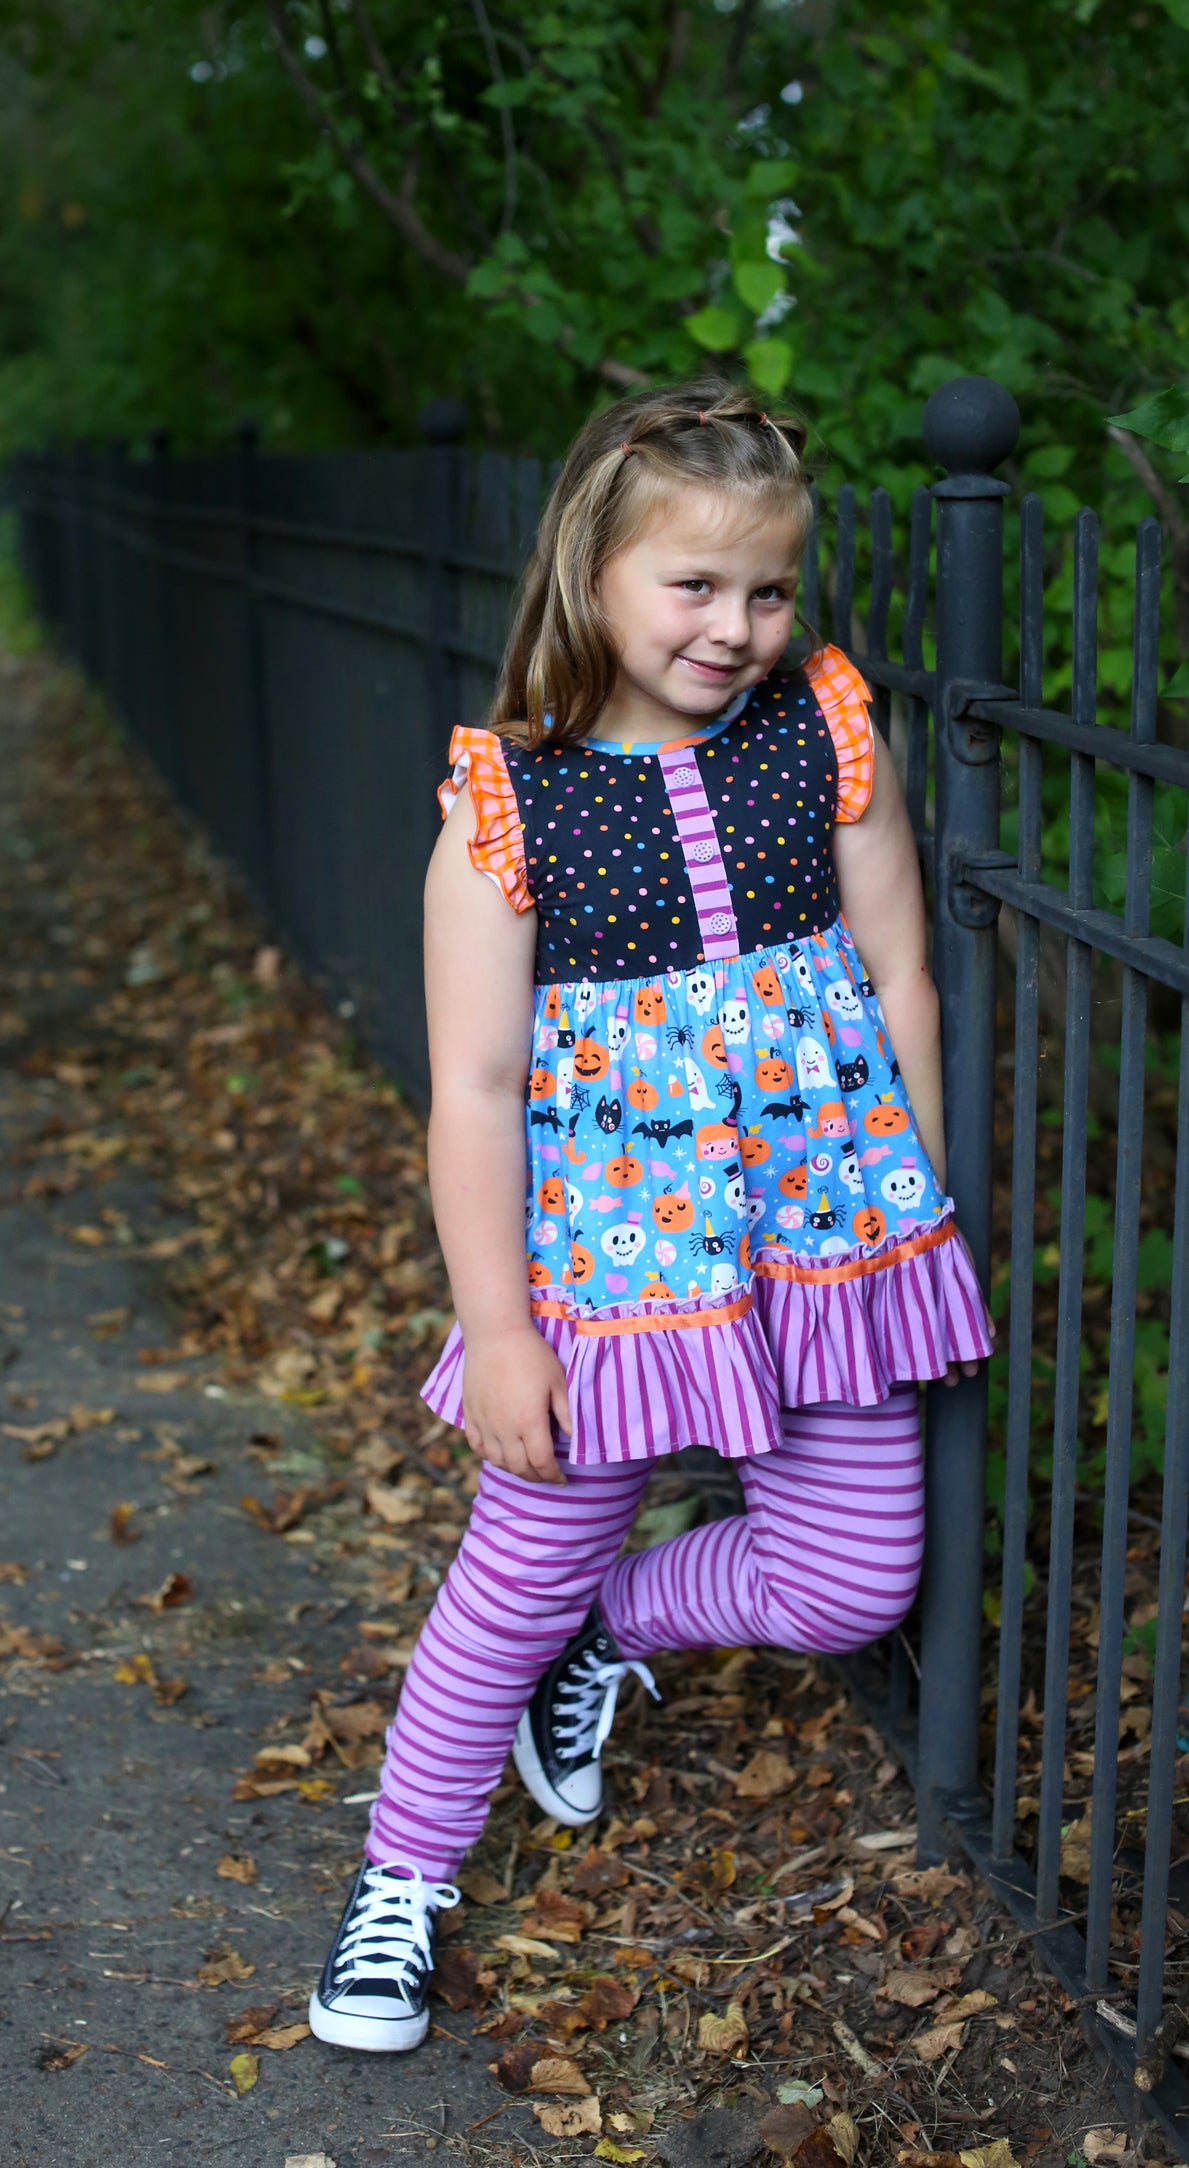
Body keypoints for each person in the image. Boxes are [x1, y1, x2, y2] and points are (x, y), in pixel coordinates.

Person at [308, 377, 995, 2054]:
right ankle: (400, 1881)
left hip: (823, 1233)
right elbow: (471, 1089)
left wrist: (906, 1200)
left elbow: (900, 971)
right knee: (523, 1558)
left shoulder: (824, 727)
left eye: (765, 589)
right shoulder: (506, 806)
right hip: (607, 1265)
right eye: (691, 585)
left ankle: (608, 1635)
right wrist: (496, 1331)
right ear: (591, 576)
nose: (735, 625)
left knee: (849, 1581)